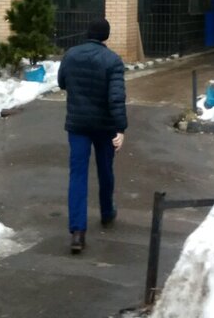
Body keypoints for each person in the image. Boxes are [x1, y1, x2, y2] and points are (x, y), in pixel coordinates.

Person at [57, 18, 127, 255]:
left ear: (88, 33)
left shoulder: (71, 55)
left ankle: (77, 232)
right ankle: (107, 212)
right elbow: (116, 98)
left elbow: (62, 82)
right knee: (105, 170)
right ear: (106, 36)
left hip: (77, 125)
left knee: (78, 174)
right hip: (105, 127)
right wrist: (120, 129)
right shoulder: (113, 61)